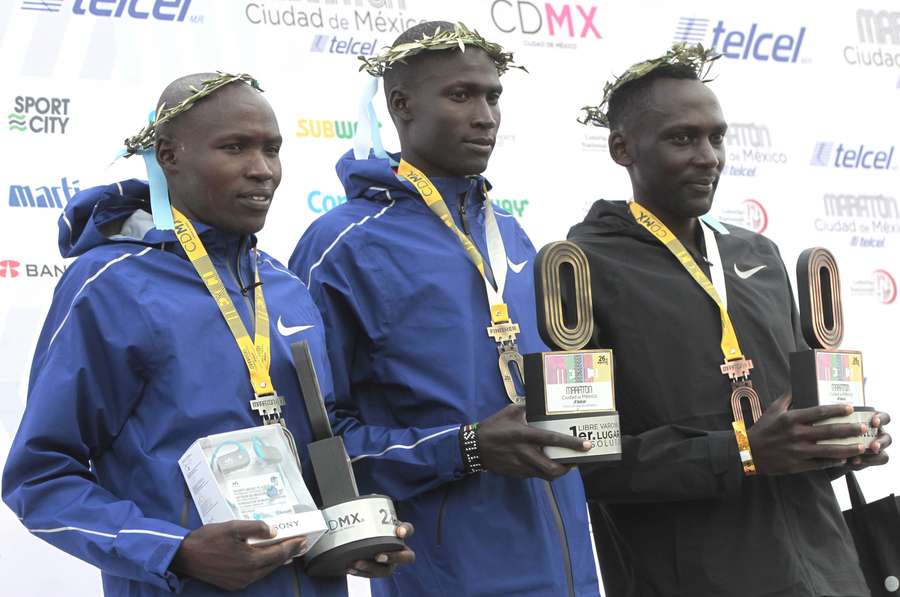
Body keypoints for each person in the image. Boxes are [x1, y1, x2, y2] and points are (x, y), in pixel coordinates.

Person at [2, 72, 414, 596]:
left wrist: (352, 535)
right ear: (169, 156)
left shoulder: (285, 286)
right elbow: (39, 479)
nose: (262, 170)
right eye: (235, 147)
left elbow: (321, 444)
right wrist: (175, 551)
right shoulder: (110, 284)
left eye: (272, 149)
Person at [290, 21, 601, 597]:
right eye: (460, 95)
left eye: (493, 96)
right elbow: (319, 439)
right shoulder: (343, 245)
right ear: (401, 106)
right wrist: (465, 447)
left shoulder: (509, 230)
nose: (485, 116)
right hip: (447, 572)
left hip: (567, 571)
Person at [569, 45, 892, 597]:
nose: (708, 156)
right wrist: (739, 452)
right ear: (621, 148)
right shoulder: (579, 269)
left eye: (716, 137)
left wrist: (839, 444)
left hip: (828, 573)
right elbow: (580, 461)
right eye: (682, 138)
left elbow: (789, 430)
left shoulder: (758, 256)